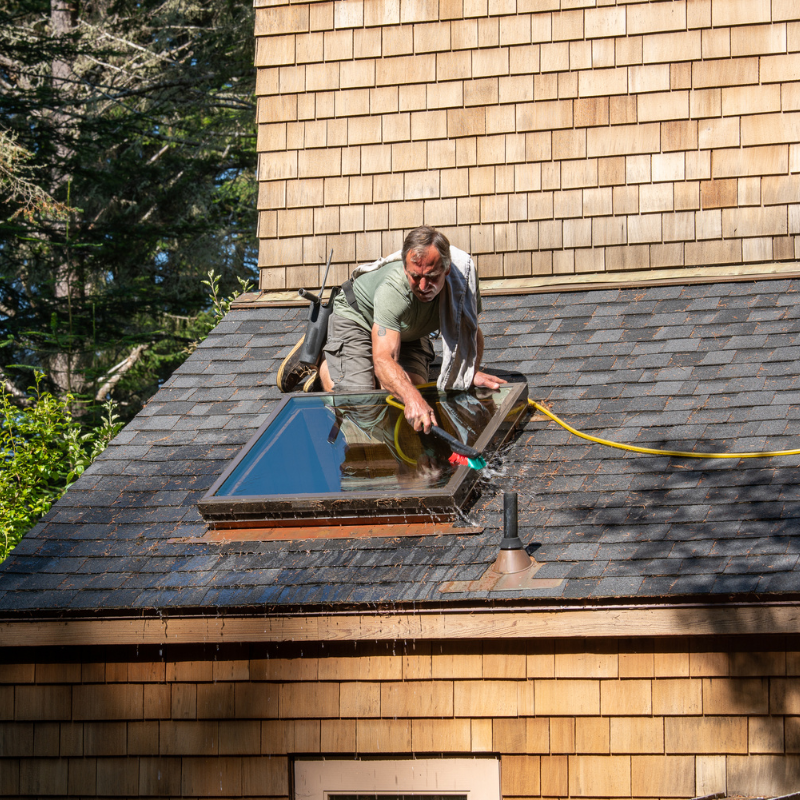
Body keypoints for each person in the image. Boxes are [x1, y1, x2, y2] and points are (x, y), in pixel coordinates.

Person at [278, 226, 506, 434]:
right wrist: (410, 397)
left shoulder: (462, 281)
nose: (424, 287)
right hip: (358, 318)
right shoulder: (394, 288)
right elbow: (383, 359)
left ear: (446, 270)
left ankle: (345, 364)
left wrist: (468, 372)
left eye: (431, 277)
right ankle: (327, 361)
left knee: (414, 397)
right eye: (415, 277)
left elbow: (470, 331)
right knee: (364, 407)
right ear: (406, 268)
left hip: (408, 329)